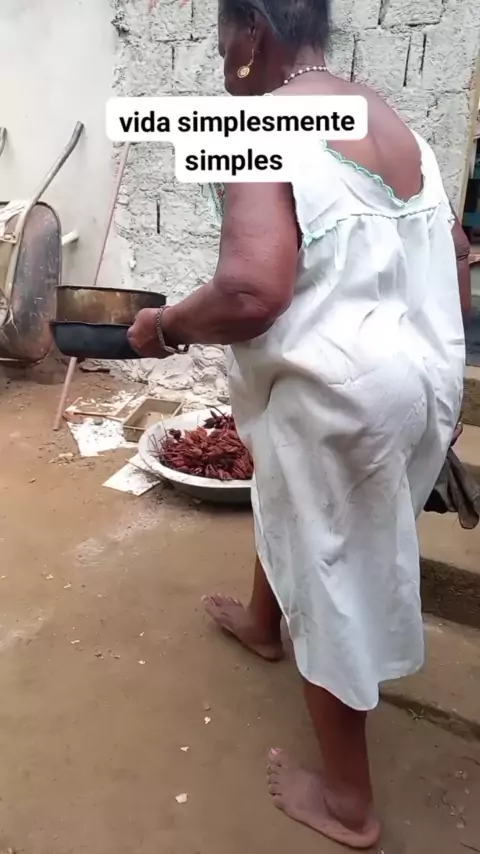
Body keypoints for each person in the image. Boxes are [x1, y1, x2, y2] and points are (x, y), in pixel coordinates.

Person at [127, 0, 468, 847]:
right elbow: (456, 256)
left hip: (341, 395)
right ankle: (261, 621)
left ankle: (349, 803)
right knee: (295, 499)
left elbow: (252, 288)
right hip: (417, 378)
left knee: (333, 576)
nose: (223, 63)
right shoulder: (392, 124)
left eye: (222, 41)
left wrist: (166, 326)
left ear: (252, 32)